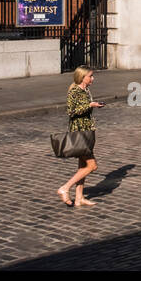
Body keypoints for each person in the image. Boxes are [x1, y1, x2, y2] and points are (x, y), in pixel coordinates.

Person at [57, 65, 104, 207]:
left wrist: (92, 105)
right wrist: (90, 105)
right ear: (82, 77)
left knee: (82, 165)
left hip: (88, 130)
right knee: (92, 166)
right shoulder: (74, 91)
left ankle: (79, 198)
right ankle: (64, 188)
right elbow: (71, 112)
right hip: (79, 132)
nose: (93, 78)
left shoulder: (86, 90)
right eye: (90, 76)